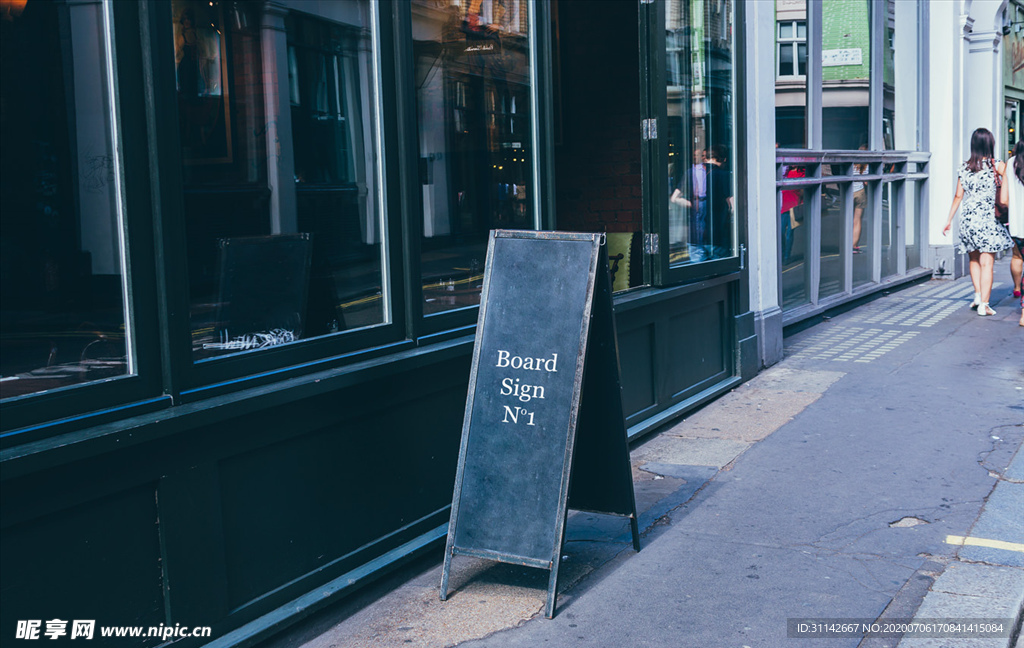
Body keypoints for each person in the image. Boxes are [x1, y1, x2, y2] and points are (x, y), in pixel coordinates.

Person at [942, 127, 1014, 316]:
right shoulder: (997, 166)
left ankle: (977, 295)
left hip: (968, 218)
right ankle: (985, 304)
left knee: (973, 258)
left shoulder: (964, 167)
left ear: (973, 145)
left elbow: (958, 196)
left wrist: (949, 220)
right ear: (991, 144)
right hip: (987, 218)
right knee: (987, 261)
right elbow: (1008, 190)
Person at [1000, 139, 1024, 326]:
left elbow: (1004, 199)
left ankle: (1017, 287)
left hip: (1017, 226)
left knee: (1017, 256)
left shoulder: (1011, 163)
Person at [670, 149, 708, 262]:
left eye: (698, 155)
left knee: (703, 226)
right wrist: (689, 203)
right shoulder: (689, 172)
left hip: (705, 202)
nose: (695, 157)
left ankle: (702, 250)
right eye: (694, 155)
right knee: (697, 228)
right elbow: (675, 196)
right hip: (697, 202)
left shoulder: (707, 170)